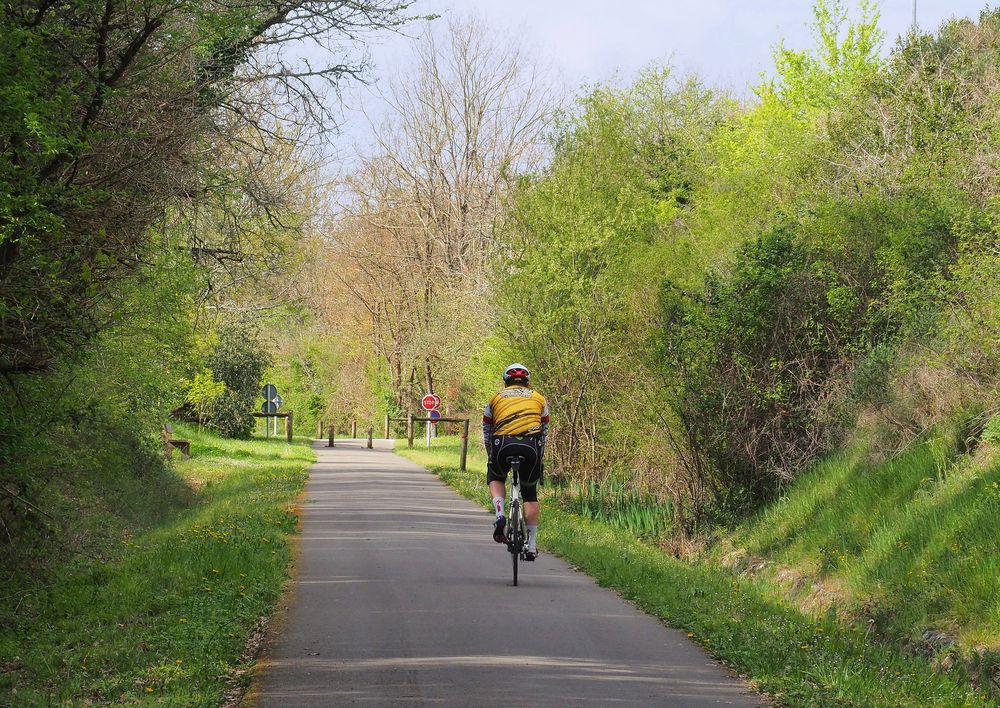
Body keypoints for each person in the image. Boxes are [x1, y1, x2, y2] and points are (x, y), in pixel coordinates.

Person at [482, 363, 549, 559]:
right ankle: (532, 545)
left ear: (506, 381)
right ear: (527, 381)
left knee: (496, 477)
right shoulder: (539, 398)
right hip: (531, 445)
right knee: (529, 493)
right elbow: (545, 430)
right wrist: (539, 453)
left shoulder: (495, 398)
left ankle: (500, 515)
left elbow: (487, 429)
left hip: (502, 443)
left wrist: (490, 453)